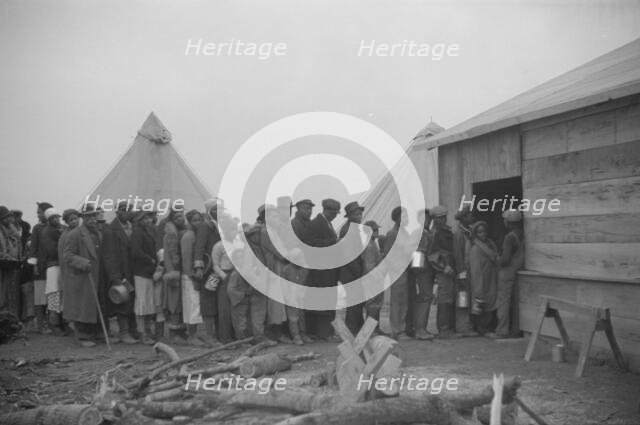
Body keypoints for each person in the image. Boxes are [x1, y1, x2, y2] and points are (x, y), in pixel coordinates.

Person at [62, 205, 102, 347]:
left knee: (92, 306)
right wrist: (83, 262)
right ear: (83, 218)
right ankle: (82, 337)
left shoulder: (98, 232)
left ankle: (93, 334)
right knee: (82, 307)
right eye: (89, 216)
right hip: (82, 276)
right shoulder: (75, 234)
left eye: (94, 215)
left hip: (96, 275)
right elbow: (68, 255)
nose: (92, 218)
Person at [101, 201, 137, 344]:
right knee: (123, 300)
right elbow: (108, 256)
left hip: (132, 270)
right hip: (120, 272)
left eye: (129, 209)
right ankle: (124, 332)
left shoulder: (132, 227)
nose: (127, 212)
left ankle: (133, 330)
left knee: (132, 299)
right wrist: (115, 277)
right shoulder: (110, 230)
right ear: (116, 212)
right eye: (123, 210)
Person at [305, 198, 341, 340]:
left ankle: (326, 332)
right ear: (327, 210)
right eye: (334, 213)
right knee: (322, 303)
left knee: (327, 301)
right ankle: (324, 333)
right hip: (321, 272)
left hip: (327, 270)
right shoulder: (315, 225)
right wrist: (334, 242)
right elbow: (312, 244)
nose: (336, 215)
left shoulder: (326, 224)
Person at [193, 198, 223, 344]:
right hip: (209, 269)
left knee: (218, 301)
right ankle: (209, 334)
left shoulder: (220, 226)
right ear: (209, 211)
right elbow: (199, 246)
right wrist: (198, 267)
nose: (219, 212)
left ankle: (218, 333)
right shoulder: (205, 227)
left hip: (220, 268)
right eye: (216, 209)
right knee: (208, 300)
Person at [287, 199, 315, 343]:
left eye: (310, 209)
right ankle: (296, 334)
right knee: (293, 307)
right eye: (306, 208)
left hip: (303, 266)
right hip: (294, 265)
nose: (309, 211)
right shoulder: (294, 224)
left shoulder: (307, 224)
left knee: (302, 305)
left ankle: (302, 332)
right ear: (298, 209)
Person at [383, 206, 412, 340]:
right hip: (397, 272)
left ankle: (402, 328)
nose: (406, 218)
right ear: (397, 218)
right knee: (397, 302)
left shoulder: (405, 233)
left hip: (406, 270)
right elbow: (388, 255)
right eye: (404, 216)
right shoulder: (392, 234)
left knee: (404, 301)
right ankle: (397, 330)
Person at [428, 205, 456, 338]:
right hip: (444, 270)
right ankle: (443, 329)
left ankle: (447, 327)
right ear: (435, 219)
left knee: (448, 298)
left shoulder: (445, 231)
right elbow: (432, 255)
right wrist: (444, 267)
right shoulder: (436, 233)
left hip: (450, 268)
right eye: (440, 218)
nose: (443, 220)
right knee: (444, 298)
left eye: (444, 217)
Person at [131, 210, 159, 345]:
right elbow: (136, 251)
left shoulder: (147, 231)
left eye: (149, 218)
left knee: (148, 302)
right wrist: (150, 259)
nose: (148, 220)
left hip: (148, 271)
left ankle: (147, 330)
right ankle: (142, 332)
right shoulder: (137, 232)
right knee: (142, 302)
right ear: (139, 220)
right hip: (141, 272)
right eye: (145, 218)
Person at [339, 201, 367, 335]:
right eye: (356, 214)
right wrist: (359, 273)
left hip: (352, 271)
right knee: (354, 302)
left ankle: (358, 328)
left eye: (360, 213)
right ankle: (351, 330)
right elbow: (349, 256)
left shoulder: (354, 228)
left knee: (357, 301)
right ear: (349, 216)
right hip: (350, 272)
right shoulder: (348, 230)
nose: (359, 216)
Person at [496, 210, 524, 338]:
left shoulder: (509, 237)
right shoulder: (523, 234)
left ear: (509, 222)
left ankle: (502, 331)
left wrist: (497, 259)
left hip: (507, 273)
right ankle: (516, 330)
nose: (503, 222)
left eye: (505, 220)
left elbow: (505, 260)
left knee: (503, 302)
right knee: (516, 302)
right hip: (518, 271)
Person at [179, 209, 206, 346]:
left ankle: (194, 334)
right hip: (189, 276)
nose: (198, 223)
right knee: (192, 304)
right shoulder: (188, 236)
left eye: (199, 219)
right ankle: (192, 335)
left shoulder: (196, 234)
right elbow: (186, 258)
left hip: (194, 275)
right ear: (189, 222)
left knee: (195, 304)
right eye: (195, 220)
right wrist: (191, 275)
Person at [468, 221, 498, 336]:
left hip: (491, 279)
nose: (483, 234)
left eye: (484, 231)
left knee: (491, 302)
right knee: (480, 302)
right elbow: (475, 270)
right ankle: (481, 328)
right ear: (476, 234)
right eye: (480, 232)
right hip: (481, 280)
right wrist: (478, 286)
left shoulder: (490, 245)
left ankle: (487, 326)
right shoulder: (476, 249)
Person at [409, 208, 435, 340]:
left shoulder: (425, 232)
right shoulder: (420, 233)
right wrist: (418, 271)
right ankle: (420, 329)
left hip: (426, 270)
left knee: (425, 297)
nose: (428, 221)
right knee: (425, 297)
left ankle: (420, 328)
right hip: (422, 271)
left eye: (429, 218)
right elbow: (418, 252)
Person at [163, 208, 187, 344]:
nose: (181, 219)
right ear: (172, 219)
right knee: (175, 302)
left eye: (181, 216)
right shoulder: (171, 234)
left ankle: (181, 331)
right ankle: (174, 333)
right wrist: (176, 269)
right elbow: (174, 254)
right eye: (177, 217)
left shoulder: (178, 231)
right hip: (174, 271)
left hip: (177, 270)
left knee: (179, 301)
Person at [28, 201, 53, 333]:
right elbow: (33, 249)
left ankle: (52, 323)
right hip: (40, 267)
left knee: (53, 296)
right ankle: (41, 325)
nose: (37, 215)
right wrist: (35, 265)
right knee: (40, 296)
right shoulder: (37, 228)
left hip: (53, 267)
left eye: (39, 212)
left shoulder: (57, 227)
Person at [41, 207, 65, 334]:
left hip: (62, 265)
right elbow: (52, 251)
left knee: (62, 295)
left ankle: (61, 323)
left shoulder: (60, 229)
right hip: (53, 266)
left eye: (57, 217)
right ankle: (54, 324)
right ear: (49, 220)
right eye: (53, 218)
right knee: (54, 296)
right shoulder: (47, 232)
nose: (56, 219)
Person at [453, 205, 476, 335]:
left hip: (470, 272)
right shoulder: (459, 234)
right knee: (463, 299)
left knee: (468, 298)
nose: (472, 217)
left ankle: (467, 325)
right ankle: (462, 327)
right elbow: (458, 255)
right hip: (463, 272)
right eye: (469, 215)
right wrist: (461, 274)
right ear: (464, 218)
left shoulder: (468, 232)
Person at [58, 209, 79, 334]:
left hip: (76, 270)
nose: (74, 221)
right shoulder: (66, 236)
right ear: (66, 222)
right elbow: (64, 257)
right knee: (71, 297)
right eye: (71, 220)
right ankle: (71, 323)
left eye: (76, 218)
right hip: (69, 271)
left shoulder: (78, 232)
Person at [362, 220, 385, 332]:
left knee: (375, 305)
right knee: (373, 306)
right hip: (372, 279)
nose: (377, 231)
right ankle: (371, 330)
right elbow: (369, 266)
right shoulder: (369, 245)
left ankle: (375, 328)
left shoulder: (371, 243)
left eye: (376, 229)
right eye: (374, 230)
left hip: (373, 279)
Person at [0, 206, 22, 317]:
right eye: (6, 217)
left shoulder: (13, 230)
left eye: (9, 216)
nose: (9, 219)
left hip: (11, 266)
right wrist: (8, 258)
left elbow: (17, 247)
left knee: (9, 295)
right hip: (3, 265)